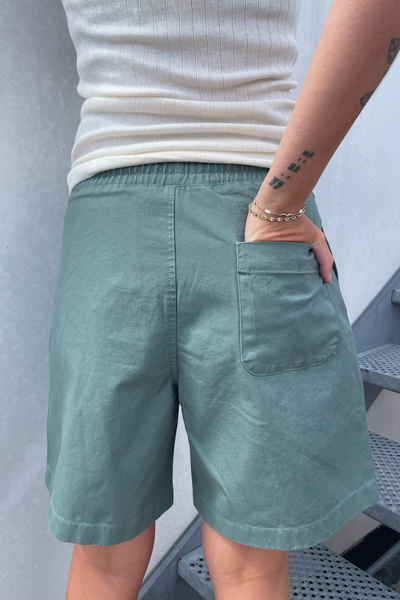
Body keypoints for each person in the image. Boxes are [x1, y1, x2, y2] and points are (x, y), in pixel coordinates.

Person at [44, 0, 400, 599]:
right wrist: (281, 203)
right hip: (258, 209)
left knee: (103, 558)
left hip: (109, 232)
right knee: (250, 565)